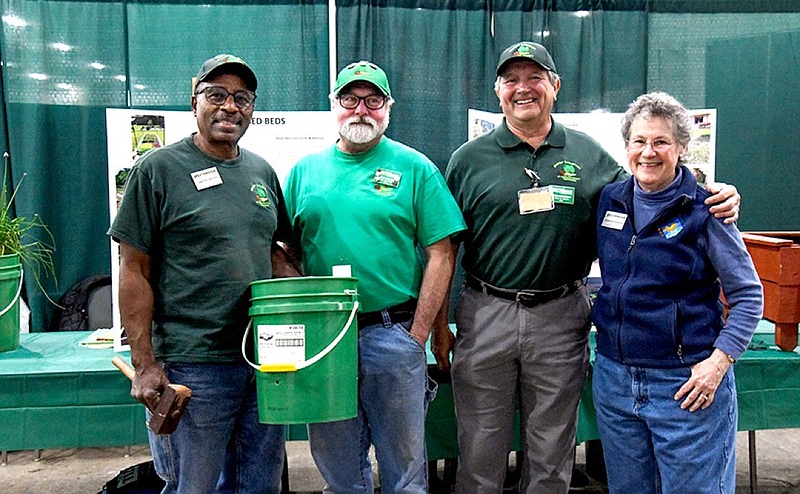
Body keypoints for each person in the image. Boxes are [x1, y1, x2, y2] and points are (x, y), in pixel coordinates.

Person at [435, 41, 742, 494]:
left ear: (555, 86)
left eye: (534, 77)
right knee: (479, 447)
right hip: (486, 312)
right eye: (512, 80)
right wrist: (441, 326)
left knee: (552, 449)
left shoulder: (590, 155)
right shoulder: (467, 160)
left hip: (561, 316)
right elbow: (445, 251)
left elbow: (650, 188)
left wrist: (713, 192)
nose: (524, 89)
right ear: (498, 91)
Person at [108, 54, 297, 494]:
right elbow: (133, 268)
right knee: (194, 486)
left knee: (260, 483)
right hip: (194, 365)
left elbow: (273, 253)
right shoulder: (158, 170)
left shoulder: (261, 172)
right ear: (194, 101)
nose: (230, 107)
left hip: (263, 359)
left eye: (242, 98)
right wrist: (145, 363)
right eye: (217, 95)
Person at [282, 60, 466, 494]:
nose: (360, 109)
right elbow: (283, 250)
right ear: (334, 106)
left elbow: (441, 252)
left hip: (393, 334)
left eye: (372, 100)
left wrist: (418, 334)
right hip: (325, 341)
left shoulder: (416, 168)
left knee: (404, 471)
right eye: (349, 99)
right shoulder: (304, 172)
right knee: (337, 467)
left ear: (388, 108)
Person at [591, 92, 763, 494]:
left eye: (661, 142)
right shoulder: (609, 201)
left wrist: (717, 365)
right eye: (639, 141)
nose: (648, 152)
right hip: (616, 381)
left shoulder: (708, 211)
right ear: (627, 147)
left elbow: (749, 296)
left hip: (685, 386)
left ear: (682, 148)